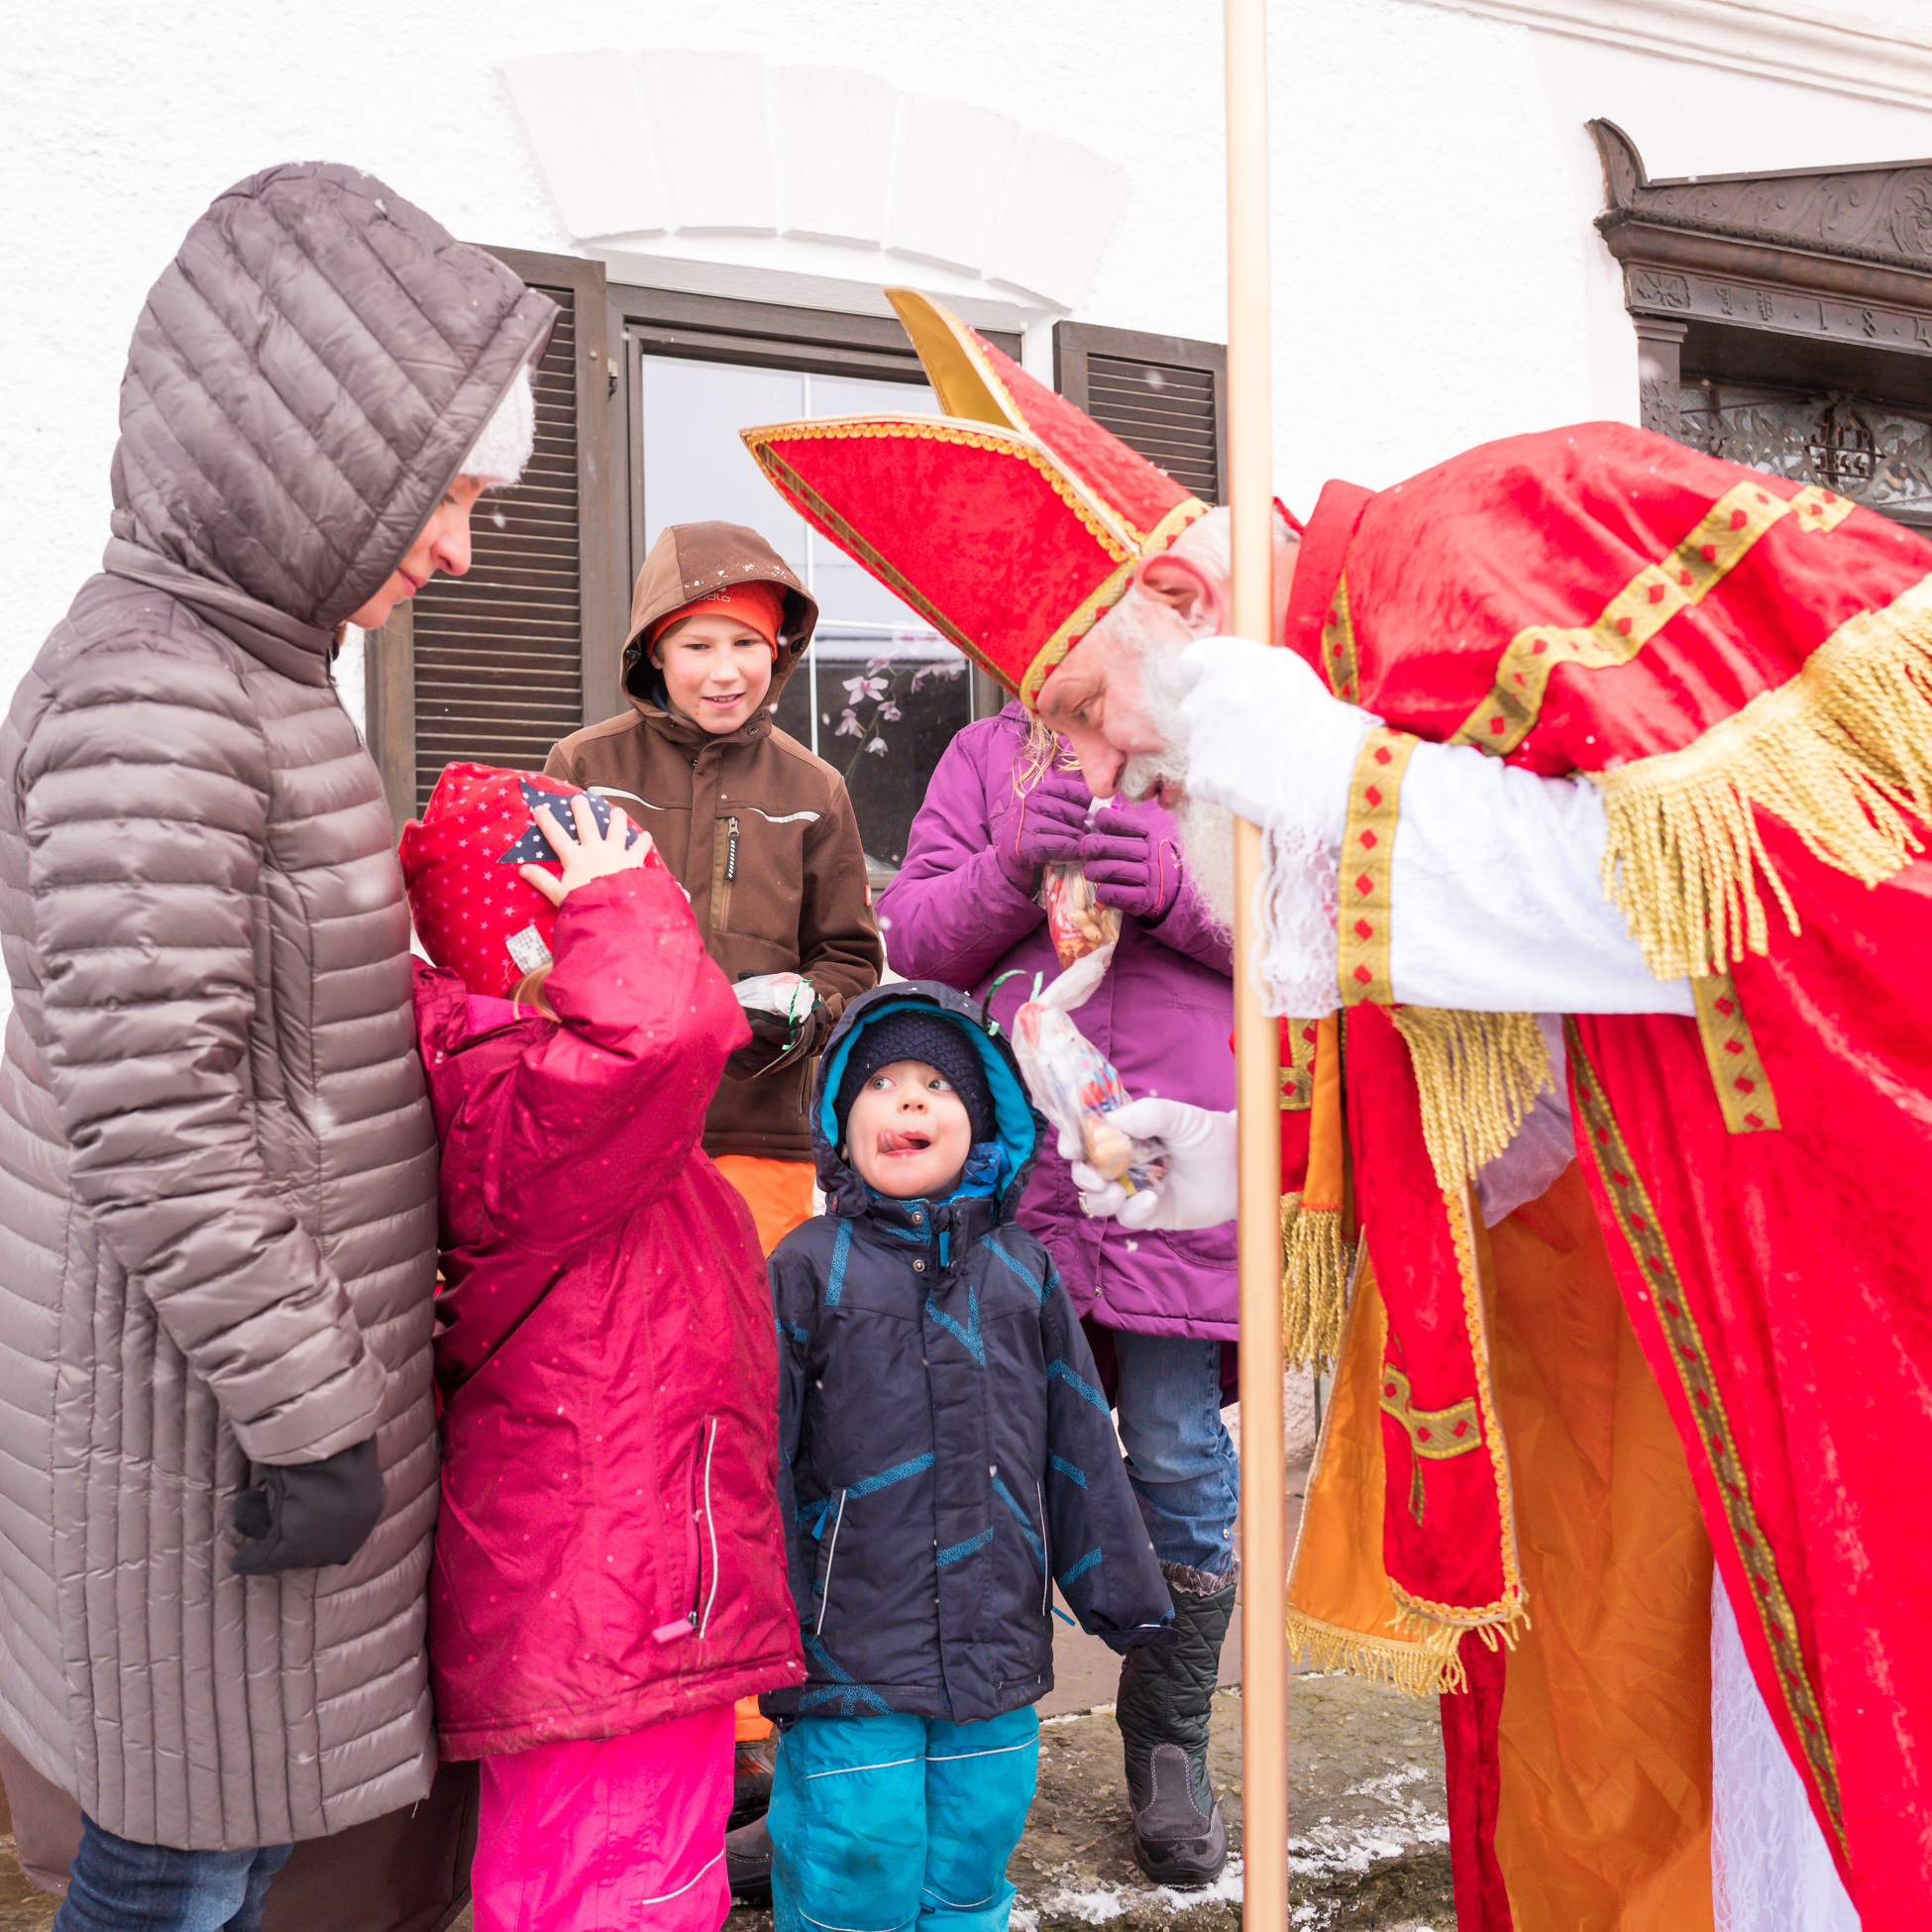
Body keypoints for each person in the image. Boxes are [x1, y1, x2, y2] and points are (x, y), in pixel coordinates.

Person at [740, 289, 1923, 1929]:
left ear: (1178, 601)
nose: (1098, 764)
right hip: (1634, 1328)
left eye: (1081, 704)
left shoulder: (1491, 535)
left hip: (1802, 1283)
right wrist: (1228, 1167)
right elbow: (1514, 1062)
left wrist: (1339, 784)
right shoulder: (1327, 682)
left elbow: (1747, 890)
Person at [0, 162, 556, 1931]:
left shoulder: (241, 673)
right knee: (178, 1865)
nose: (458, 550)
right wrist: (315, 1417)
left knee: (221, 1849)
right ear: (316, 461)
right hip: (203, 1433)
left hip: (223, 1405)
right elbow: (153, 1113)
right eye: (443, 497)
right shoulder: (154, 696)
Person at [401, 768, 803, 1932]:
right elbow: (665, 1031)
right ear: (547, 928)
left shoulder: (533, 1089)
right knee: (622, 1887)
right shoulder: (525, 1095)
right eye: (630, 882)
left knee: (601, 1875)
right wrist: (616, 900)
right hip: (616, 1603)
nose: (658, 903)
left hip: (620, 1589)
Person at [544, 519, 883, 1840]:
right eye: (698, 643)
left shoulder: (815, 787)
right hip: (613, 1142)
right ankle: (622, 1677)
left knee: (736, 1419)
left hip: (756, 1143)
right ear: (653, 649)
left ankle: (742, 1720)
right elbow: (532, 934)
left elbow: (851, 953)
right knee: (617, 1410)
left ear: (779, 650)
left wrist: (808, 1004)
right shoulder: (584, 768)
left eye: (747, 642)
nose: (724, 668)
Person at [878, 721, 1240, 1884]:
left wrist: (1180, 892)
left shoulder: (1229, 747)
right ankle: (976, 1737)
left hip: (1178, 1164)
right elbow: (914, 933)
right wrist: (1006, 866)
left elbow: (1308, 935)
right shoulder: (989, 755)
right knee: (990, 1452)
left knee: (1175, 1445)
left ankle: (1169, 1741)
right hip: (1022, 1166)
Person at [762, 983, 1175, 1932]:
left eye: (937, 1085)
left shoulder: (1024, 1272)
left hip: (995, 1644)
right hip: (849, 1648)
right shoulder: (809, 1265)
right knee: (854, 1854)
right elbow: (762, 1451)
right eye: (880, 1085)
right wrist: (761, 1618)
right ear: (839, 1124)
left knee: (973, 1850)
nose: (907, 1099)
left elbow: (1079, 1442)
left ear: (985, 1126)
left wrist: (1122, 1590)